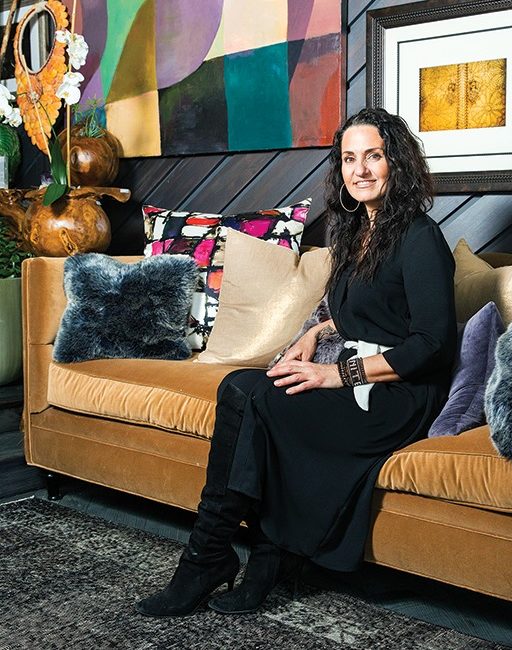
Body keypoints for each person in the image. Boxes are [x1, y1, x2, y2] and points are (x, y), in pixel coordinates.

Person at [135, 107, 457, 618]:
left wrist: (335, 373)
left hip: (398, 397)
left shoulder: (420, 238)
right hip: (360, 380)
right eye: (350, 159)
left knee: (254, 396)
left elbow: (431, 345)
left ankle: (211, 558)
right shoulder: (356, 231)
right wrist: (318, 333)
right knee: (243, 389)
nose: (362, 170)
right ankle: (236, 557)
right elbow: (369, 313)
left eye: (374, 156)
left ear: (397, 161)